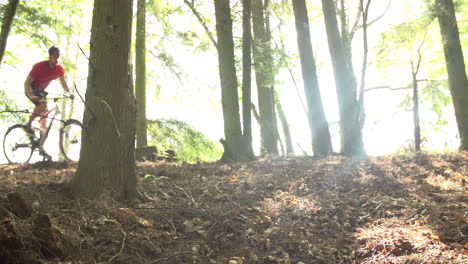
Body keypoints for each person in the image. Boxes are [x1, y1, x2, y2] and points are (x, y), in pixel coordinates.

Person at [24, 46, 74, 150]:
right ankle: (28, 124)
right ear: (50, 56)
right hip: (32, 88)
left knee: (45, 120)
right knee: (43, 105)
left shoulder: (59, 69)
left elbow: (63, 83)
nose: (57, 59)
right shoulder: (39, 66)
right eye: (55, 56)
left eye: (58, 56)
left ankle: (40, 144)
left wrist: (69, 93)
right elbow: (27, 82)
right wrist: (31, 95)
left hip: (42, 92)